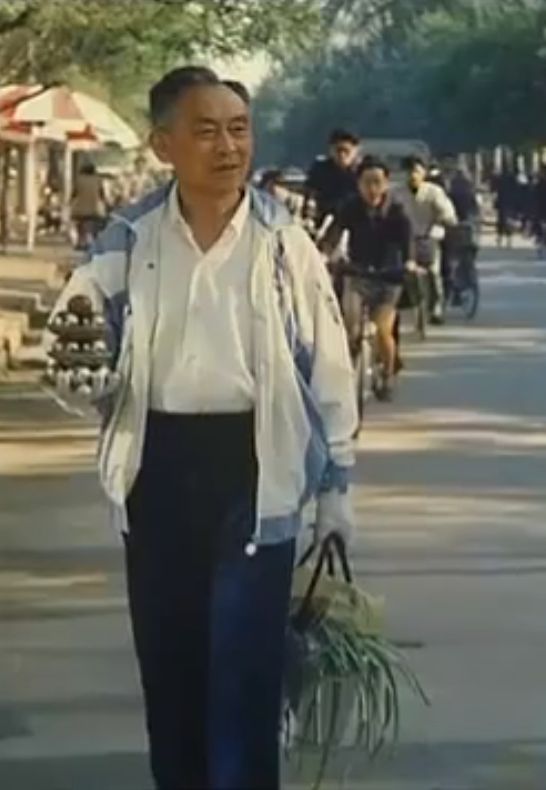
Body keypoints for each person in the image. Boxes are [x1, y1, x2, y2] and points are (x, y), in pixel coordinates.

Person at [46, 66, 357, 790]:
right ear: (163, 144)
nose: (228, 147)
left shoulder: (284, 246)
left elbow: (330, 367)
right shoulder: (128, 242)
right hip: (158, 470)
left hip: (255, 472)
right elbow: (78, 339)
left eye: (239, 129)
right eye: (207, 130)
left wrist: (338, 487)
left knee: (245, 681)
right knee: (173, 675)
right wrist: (78, 376)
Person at [321, 157, 415, 401]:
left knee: (383, 330)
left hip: (389, 278)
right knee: (349, 325)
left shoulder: (397, 211)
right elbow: (334, 234)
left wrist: (409, 262)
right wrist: (323, 253)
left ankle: (387, 372)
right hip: (358, 273)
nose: (372, 189)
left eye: (377, 182)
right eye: (366, 183)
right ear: (358, 184)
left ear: (386, 184)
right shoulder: (350, 207)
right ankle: (351, 366)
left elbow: (408, 243)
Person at [397, 156, 457, 325]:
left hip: (428, 237)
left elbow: (448, 213)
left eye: (416, 171)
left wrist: (443, 220)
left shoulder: (434, 192)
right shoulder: (397, 194)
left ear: (424, 172)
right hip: (405, 240)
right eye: (409, 171)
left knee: (433, 272)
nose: (413, 175)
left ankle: (436, 306)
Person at [304, 128, 360, 227]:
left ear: (356, 150)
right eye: (338, 150)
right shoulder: (320, 169)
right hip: (323, 216)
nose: (342, 155)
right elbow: (310, 191)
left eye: (346, 151)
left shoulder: (361, 172)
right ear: (331, 150)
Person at [70, 162, 108, 250]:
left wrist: (70, 202)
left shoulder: (79, 179)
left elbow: (74, 194)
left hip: (79, 208)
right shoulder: (98, 180)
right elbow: (102, 194)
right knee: (94, 226)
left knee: (80, 225)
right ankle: (94, 242)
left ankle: (80, 242)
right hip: (93, 208)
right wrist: (105, 203)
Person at [492, 167, 518, 248]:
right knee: (509, 221)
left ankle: (500, 239)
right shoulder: (513, 180)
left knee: (501, 221)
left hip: (502, 202)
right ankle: (509, 240)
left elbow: (496, 190)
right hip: (510, 203)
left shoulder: (500, 179)